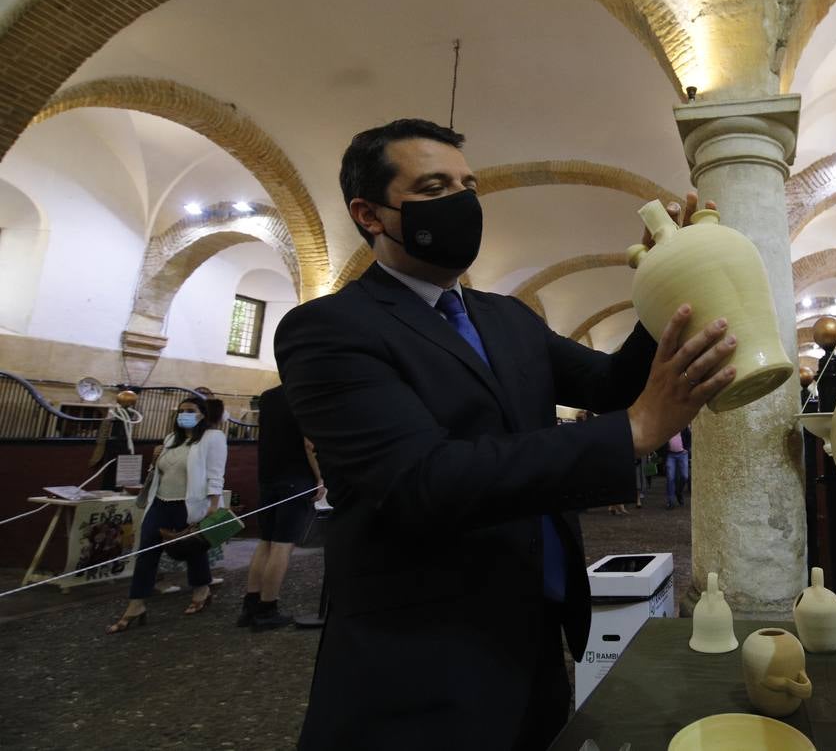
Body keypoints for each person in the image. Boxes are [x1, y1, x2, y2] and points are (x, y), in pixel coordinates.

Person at [274, 118, 736, 750]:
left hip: (537, 630)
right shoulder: (330, 328)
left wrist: (665, 283)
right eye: (435, 186)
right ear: (371, 213)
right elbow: (420, 479)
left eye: (469, 185)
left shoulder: (507, 318)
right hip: (419, 654)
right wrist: (630, 432)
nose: (463, 202)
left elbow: (607, 384)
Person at [106, 395, 227, 633]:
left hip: (189, 503)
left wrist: (213, 503)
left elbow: (216, 471)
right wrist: (154, 458)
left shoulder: (213, 438)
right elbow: (159, 472)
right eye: (181, 411)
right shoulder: (171, 439)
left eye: (191, 410)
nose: (185, 414)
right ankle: (136, 604)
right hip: (160, 502)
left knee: (192, 547)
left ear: (202, 414)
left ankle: (202, 589)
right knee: (147, 551)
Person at [237, 384, 324, 631]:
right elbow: (309, 444)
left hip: (268, 477)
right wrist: (320, 477)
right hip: (295, 478)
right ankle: (267, 608)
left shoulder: (268, 396)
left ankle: (250, 604)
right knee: (283, 546)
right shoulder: (307, 393)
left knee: (265, 541)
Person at [665, 427, 691, 509]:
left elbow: (689, 436)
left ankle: (678, 492)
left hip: (683, 454)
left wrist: (686, 449)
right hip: (670, 455)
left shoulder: (683, 425)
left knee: (685, 476)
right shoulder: (667, 426)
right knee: (670, 478)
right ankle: (670, 502)